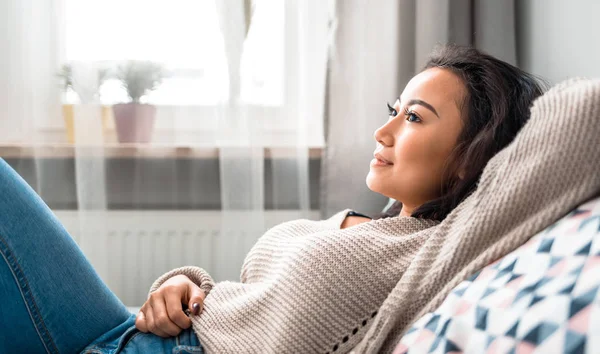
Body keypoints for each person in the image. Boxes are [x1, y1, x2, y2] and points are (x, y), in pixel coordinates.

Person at [0, 45, 547, 353]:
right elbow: (257, 305)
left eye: (413, 118)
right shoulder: (365, 225)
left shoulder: (438, 249)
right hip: (135, 331)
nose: (383, 132)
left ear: (474, 150)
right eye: (393, 108)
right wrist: (187, 282)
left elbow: (574, 129)